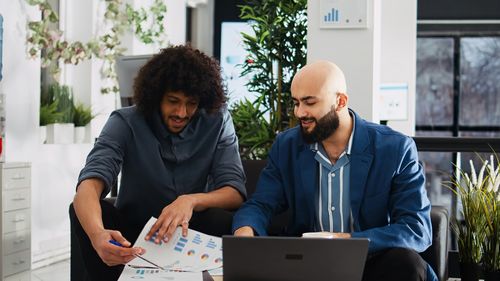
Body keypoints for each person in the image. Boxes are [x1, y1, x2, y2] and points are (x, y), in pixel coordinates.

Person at [232, 61, 437, 281]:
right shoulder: (287, 146)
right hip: (306, 265)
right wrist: (245, 232)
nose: (300, 112)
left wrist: (347, 240)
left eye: (309, 102)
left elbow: (417, 228)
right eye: (296, 103)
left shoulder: (395, 148)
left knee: (406, 263)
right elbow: (261, 204)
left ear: (340, 101)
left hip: (370, 262)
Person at [70, 45, 246, 281]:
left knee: (224, 219)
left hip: (189, 232)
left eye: (191, 103)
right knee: (83, 211)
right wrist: (97, 234)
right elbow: (88, 186)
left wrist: (190, 200)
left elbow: (234, 191)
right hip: (132, 232)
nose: (182, 113)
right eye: (173, 101)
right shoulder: (125, 121)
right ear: (155, 96)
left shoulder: (218, 120)